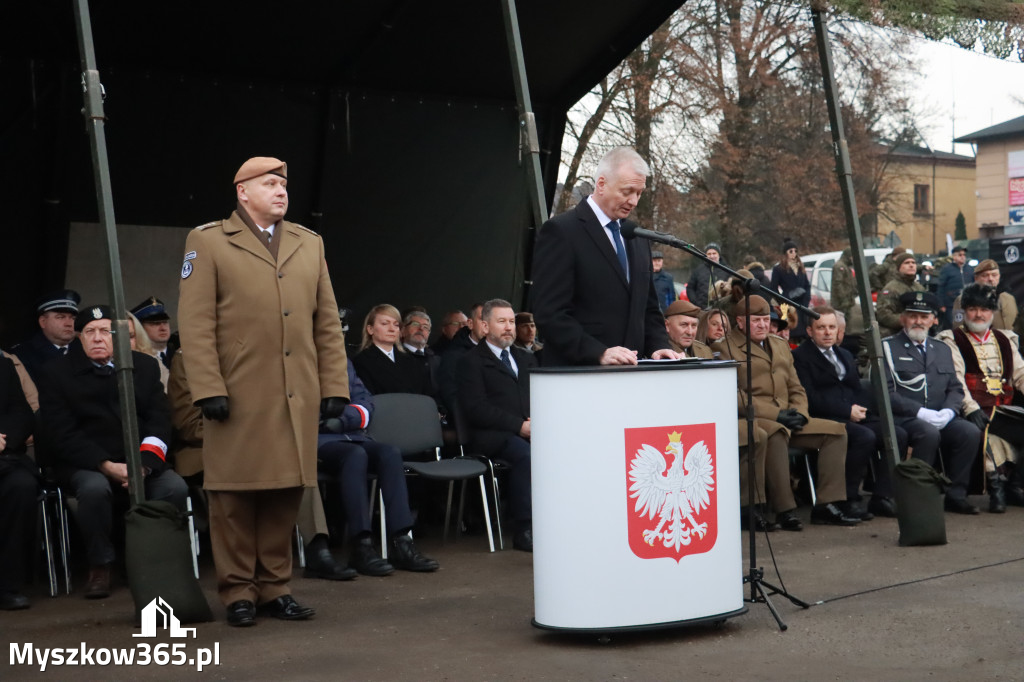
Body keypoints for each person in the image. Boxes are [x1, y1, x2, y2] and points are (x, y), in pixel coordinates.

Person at [177, 157, 350, 626]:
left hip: (296, 394)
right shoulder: (209, 240)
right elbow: (194, 324)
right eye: (269, 184)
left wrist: (335, 385)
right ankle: (238, 592)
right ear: (242, 192)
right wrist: (207, 386)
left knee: (285, 493)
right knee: (233, 497)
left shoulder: (308, 243)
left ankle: (276, 588)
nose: (281, 191)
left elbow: (327, 322)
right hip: (236, 392)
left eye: (283, 184)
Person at [38, 305, 187, 599]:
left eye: (105, 331)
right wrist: (105, 465)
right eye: (89, 332)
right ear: (79, 338)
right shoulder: (56, 373)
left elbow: (159, 420)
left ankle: (153, 562)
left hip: (140, 459)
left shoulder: (142, 366)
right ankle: (100, 564)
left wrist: (143, 465)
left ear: (118, 336)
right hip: (87, 462)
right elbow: (62, 433)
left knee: (174, 487)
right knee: (94, 490)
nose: (97, 338)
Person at [713, 295, 858, 530]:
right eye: (755, 320)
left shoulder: (779, 344)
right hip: (757, 417)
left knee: (836, 432)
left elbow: (795, 386)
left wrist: (800, 411)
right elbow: (734, 394)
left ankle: (826, 504)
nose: (762, 325)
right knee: (777, 433)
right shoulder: (725, 348)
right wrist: (775, 415)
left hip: (789, 415)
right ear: (739, 321)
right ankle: (784, 510)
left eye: (765, 320)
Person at [531, 146, 677, 366]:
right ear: (601, 184)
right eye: (627, 191)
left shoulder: (637, 237)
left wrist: (659, 346)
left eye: (639, 193)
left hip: (633, 375)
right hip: (580, 373)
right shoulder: (562, 231)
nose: (634, 201)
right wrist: (598, 352)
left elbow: (647, 308)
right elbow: (549, 314)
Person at [318, 361, 439, 575]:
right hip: (318, 439)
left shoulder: (340, 360)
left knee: (390, 453)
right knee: (355, 456)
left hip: (350, 433)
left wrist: (344, 419)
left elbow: (365, 401)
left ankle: (401, 541)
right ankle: (361, 545)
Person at [793, 307, 905, 518]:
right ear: (809, 331)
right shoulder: (800, 357)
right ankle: (847, 498)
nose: (827, 333)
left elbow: (855, 388)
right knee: (864, 437)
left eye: (831, 327)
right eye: (821, 328)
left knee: (896, 433)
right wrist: (847, 411)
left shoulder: (844, 354)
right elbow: (809, 396)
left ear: (838, 330)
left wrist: (861, 409)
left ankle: (882, 496)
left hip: (853, 414)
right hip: (824, 417)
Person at [882, 291, 981, 514]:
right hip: (905, 417)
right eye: (913, 315)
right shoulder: (887, 348)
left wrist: (949, 411)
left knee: (969, 432)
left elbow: (955, 388)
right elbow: (885, 392)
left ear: (933, 319)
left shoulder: (942, 349)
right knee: (928, 433)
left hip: (940, 414)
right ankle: (916, 495)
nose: (918, 321)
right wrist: (919, 412)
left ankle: (956, 495)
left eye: (924, 316)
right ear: (902, 319)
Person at [456, 299, 536, 551]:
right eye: (501, 321)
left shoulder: (525, 359)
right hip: (489, 436)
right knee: (526, 455)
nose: (509, 327)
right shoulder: (470, 361)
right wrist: (519, 426)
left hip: (527, 430)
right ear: (484, 326)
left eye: (511, 321)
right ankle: (525, 529)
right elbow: (476, 409)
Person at [938, 283, 1024, 512]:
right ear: (964, 311)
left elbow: (1020, 375)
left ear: (993, 312)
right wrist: (970, 408)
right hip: (974, 409)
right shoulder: (952, 340)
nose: (979, 314)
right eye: (973, 309)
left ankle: (1013, 487)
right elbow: (955, 380)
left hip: (1005, 410)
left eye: (985, 309)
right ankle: (997, 489)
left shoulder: (1006, 339)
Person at [0, 354, 36, 610]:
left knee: (21, 486)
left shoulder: (2, 365)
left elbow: (21, 412)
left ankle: (7, 586)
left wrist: (4, 440)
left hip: (4, 457)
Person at [353, 305, 433, 398]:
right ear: (370, 329)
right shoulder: (361, 361)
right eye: (384, 323)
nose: (392, 329)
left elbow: (426, 394)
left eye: (396, 325)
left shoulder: (411, 360)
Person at [13, 290, 81, 383]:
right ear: (43, 322)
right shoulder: (23, 355)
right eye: (60, 317)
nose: (69, 323)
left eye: (73, 318)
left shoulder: (85, 350)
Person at [951, 259, 1018, 332]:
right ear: (976, 278)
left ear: (999, 276)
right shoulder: (964, 298)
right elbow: (958, 327)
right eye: (985, 275)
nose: (990, 279)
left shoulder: (1009, 298)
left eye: (994, 275)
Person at [770, 239, 811, 343]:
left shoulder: (800, 267)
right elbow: (773, 288)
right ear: (785, 253)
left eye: (795, 251)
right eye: (791, 251)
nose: (794, 254)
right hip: (787, 303)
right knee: (790, 330)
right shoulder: (779, 269)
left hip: (802, 303)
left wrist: (806, 299)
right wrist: (783, 301)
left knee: (803, 331)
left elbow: (807, 285)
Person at [875, 252, 925, 338]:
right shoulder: (891, 288)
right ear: (898, 267)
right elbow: (883, 314)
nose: (911, 265)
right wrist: (906, 320)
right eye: (907, 263)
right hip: (897, 334)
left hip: (918, 332)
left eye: (913, 263)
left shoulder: (919, 287)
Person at [937, 245, 974, 330]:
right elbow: (941, 287)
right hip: (951, 304)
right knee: (953, 325)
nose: (963, 257)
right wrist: (941, 304)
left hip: (967, 304)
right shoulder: (946, 269)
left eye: (964, 255)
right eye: (960, 255)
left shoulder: (970, 269)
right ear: (954, 256)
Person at [130, 296, 174, 369]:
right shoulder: (138, 359)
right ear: (141, 328)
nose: (163, 328)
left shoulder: (180, 353)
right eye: (155, 324)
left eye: (165, 322)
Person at [687, 242, 728, 308]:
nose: (712, 256)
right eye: (709, 254)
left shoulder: (727, 270)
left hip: (720, 309)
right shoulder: (698, 270)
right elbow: (690, 288)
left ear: (719, 255)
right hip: (701, 309)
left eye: (714, 253)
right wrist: (695, 303)